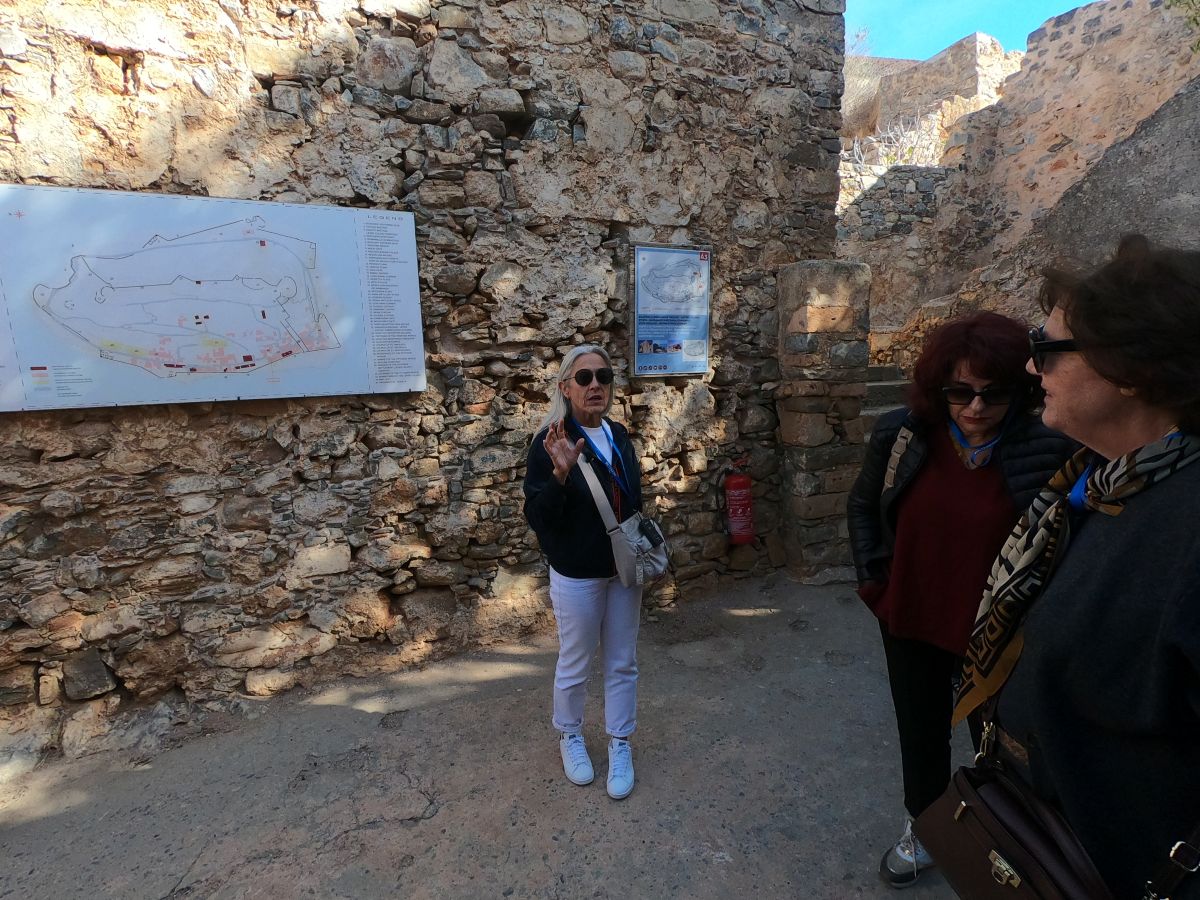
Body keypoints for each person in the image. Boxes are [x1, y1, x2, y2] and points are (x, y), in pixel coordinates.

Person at [953, 235, 1200, 899]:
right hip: (1048, 839)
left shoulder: (1185, 527)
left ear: (1132, 370)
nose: (1031, 366)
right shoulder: (1095, 481)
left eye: (1047, 346)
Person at [847, 312, 1076, 888]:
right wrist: (875, 581)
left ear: (1020, 390)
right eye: (960, 392)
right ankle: (925, 830)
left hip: (997, 636)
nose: (975, 407)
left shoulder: (1050, 449)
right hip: (912, 617)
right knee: (920, 732)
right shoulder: (902, 436)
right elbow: (863, 507)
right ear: (938, 388)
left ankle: (1001, 847)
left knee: (999, 748)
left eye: (993, 393)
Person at [522, 344, 644, 801]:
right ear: (565, 388)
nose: (596, 385)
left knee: (622, 661)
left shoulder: (619, 435)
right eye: (585, 377)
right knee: (576, 661)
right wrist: (558, 475)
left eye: (603, 377)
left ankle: (620, 741)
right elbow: (538, 517)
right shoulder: (550, 441)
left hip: (622, 571)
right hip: (577, 573)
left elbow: (632, 502)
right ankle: (570, 734)